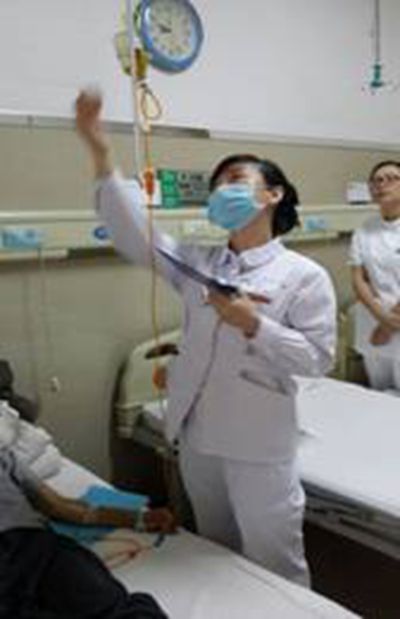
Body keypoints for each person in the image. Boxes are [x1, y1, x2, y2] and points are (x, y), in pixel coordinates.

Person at [75, 90, 337, 587]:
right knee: (216, 552)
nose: (222, 190)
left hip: (257, 442)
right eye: (217, 186)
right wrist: (101, 153)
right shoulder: (198, 262)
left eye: (236, 180)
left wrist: (253, 324)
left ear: (273, 194)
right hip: (199, 437)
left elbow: (317, 360)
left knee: (274, 559)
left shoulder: (303, 275)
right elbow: (136, 235)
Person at [0, 445, 173, 618]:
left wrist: (138, 519)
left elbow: (58, 506)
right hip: (35, 550)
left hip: (33, 546)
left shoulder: (5, 458)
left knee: (116, 609)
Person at [350, 160, 400, 391]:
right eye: (377, 180)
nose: (382, 184)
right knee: (378, 392)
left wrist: (388, 325)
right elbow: (358, 278)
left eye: (392, 179)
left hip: (393, 322)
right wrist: (380, 317)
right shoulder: (364, 230)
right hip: (372, 319)